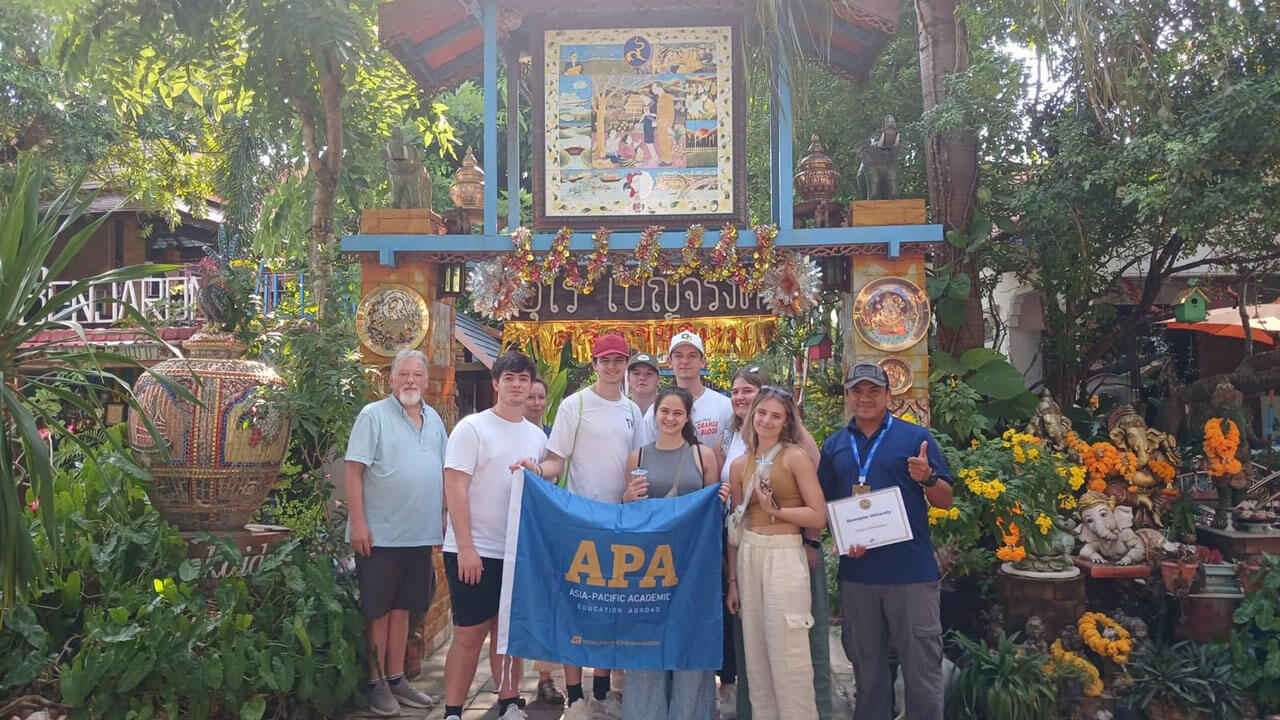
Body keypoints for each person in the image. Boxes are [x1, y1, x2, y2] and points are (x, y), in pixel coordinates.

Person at [816, 362, 954, 720]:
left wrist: (927, 478)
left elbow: (945, 499)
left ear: (888, 396)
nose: (865, 398)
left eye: (873, 390)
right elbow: (827, 506)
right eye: (857, 391)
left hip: (911, 573)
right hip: (858, 575)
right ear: (847, 396)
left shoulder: (915, 438)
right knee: (868, 670)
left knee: (921, 668)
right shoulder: (834, 446)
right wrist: (840, 538)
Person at [521, 333, 645, 718]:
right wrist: (538, 471)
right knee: (574, 609)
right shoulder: (575, 405)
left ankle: (601, 693)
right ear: (593, 364)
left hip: (620, 523)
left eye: (618, 360)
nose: (611, 366)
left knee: (610, 610)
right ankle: (575, 697)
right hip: (578, 522)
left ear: (625, 365)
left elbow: (638, 465)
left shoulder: (633, 412)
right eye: (604, 360)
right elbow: (557, 460)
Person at [441, 350, 548, 720]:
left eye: (523, 379)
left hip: (516, 552)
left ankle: (509, 702)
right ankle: (453, 710)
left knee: (509, 635)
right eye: (510, 379)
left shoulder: (536, 436)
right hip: (473, 550)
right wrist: (466, 547)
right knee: (469, 635)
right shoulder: (472, 428)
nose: (517, 385)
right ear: (496, 384)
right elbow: (455, 487)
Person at [720, 368, 829, 720]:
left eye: (775, 415)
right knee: (756, 654)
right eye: (761, 413)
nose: (766, 420)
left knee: (789, 652)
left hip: (784, 554)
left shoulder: (794, 457)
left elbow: (818, 515)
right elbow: (736, 525)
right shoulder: (739, 465)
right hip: (750, 553)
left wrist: (777, 511)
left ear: (786, 422)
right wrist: (733, 581)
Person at [344, 349, 446, 715]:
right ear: (390, 379)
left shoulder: (434, 420)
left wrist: (445, 514)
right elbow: (353, 471)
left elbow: (442, 471)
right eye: (403, 374)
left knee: (404, 609)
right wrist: (357, 522)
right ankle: (375, 683)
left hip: (419, 535)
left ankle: (397, 677)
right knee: (379, 611)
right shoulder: (373, 416)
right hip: (379, 535)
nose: (410, 381)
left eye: (417, 375)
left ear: (426, 381)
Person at [620, 387, 722, 720]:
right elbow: (627, 513)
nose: (670, 418)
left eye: (678, 413)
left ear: (688, 417)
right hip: (647, 567)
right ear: (655, 414)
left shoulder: (702, 456)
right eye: (664, 411)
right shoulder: (637, 457)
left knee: (690, 642)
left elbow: (713, 513)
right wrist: (627, 498)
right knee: (646, 643)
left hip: (693, 565)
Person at [645, 330, 733, 467]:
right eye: (678, 356)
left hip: (712, 485)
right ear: (669, 362)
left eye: (692, 356)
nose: (685, 361)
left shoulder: (725, 405)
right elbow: (647, 456)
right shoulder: (656, 411)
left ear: (703, 361)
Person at [628, 351, 661, 416]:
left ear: (658, 380)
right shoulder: (620, 408)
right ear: (628, 379)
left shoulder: (668, 408)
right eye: (636, 373)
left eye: (649, 374)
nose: (642, 378)